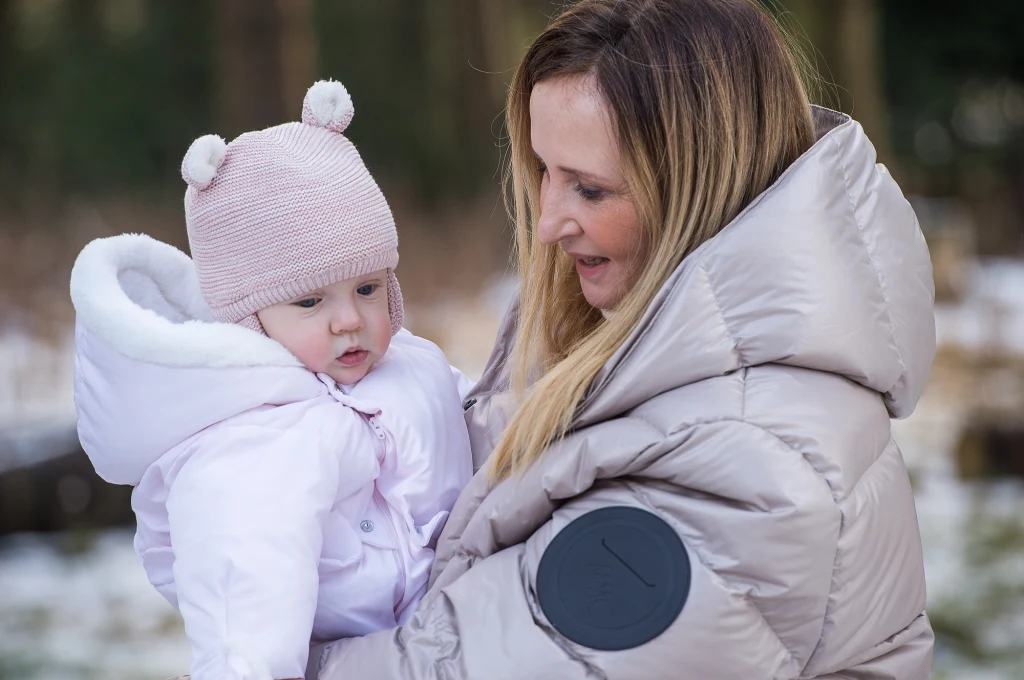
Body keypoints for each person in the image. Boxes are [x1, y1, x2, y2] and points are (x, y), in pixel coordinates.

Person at [312, 0, 936, 678]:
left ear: (694, 186)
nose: (548, 221)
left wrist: (253, 631)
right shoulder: (642, 362)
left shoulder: (749, 474)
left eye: (590, 189)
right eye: (544, 171)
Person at [69, 80, 473, 680]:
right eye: (310, 302)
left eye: (367, 288)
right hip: (346, 656)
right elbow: (246, 584)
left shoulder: (411, 364)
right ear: (250, 320)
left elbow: (484, 424)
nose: (350, 319)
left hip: (445, 619)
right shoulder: (251, 441)